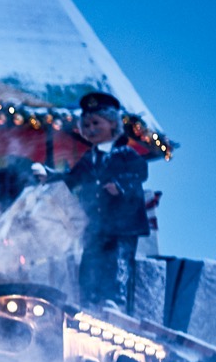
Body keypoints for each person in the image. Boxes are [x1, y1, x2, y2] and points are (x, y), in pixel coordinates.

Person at [56, 91, 151, 309]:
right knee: (90, 262)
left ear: (112, 124)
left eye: (96, 123)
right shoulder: (90, 158)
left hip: (122, 225)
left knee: (117, 263)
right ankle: (89, 298)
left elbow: (141, 172)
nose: (91, 129)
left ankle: (115, 300)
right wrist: (50, 176)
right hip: (97, 225)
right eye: (87, 125)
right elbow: (73, 178)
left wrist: (120, 186)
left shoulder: (125, 154)